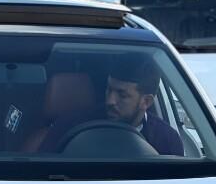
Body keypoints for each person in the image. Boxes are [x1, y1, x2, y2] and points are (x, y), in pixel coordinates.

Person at [39, 49, 185, 156]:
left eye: (122, 95)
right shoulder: (70, 126)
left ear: (146, 101)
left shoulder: (166, 141)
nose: (110, 101)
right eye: (109, 90)